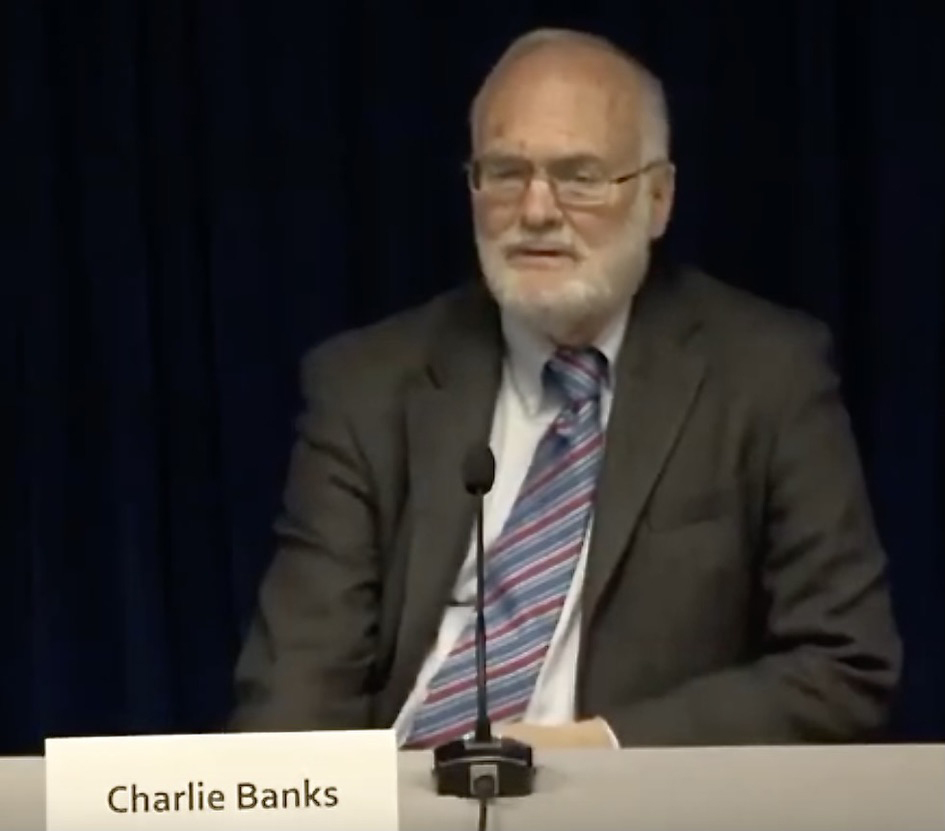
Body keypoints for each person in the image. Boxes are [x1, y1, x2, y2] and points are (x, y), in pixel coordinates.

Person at [230, 28, 901, 749]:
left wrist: (601, 749)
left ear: (658, 197)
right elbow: (296, 689)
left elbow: (843, 666)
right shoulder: (366, 386)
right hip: (405, 797)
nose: (537, 210)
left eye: (579, 176)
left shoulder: (767, 374)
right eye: (506, 172)